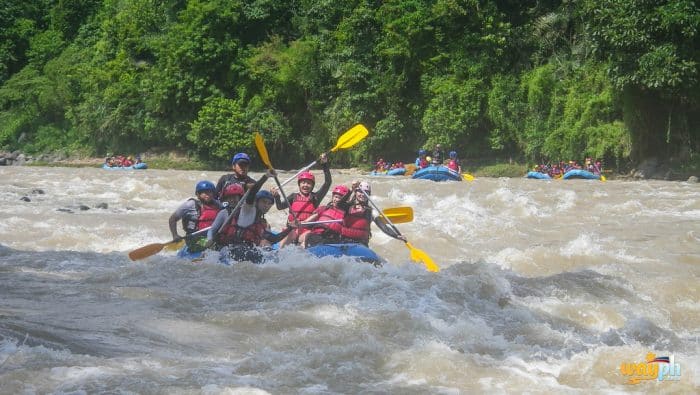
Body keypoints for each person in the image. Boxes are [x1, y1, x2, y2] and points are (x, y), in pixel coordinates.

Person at [209, 169, 293, 263]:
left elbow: (274, 239)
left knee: (273, 255)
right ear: (256, 202)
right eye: (263, 202)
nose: (266, 205)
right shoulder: (248, 211)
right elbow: (252, 192)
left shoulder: (262, 222)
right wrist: (265, 176)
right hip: (233, 251)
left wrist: (290, 228)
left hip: (246, 251)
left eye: (269, 203)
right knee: (257, 255)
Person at [273, 153, 331, 247]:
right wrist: (277, 196)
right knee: (287, 238)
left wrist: (324, 164)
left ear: (312, 186)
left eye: (309, 183)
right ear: (299, 184)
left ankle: (302, 257)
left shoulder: (315, 197)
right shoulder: (293, 197)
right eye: (303, 183)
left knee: (307, 239)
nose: (305, 185)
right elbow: (279, 207)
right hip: (292, 230)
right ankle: (279, 255)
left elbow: (328, 183)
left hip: (307, 231)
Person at [169, 180, 222, 254]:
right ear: (198, 194)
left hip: (211, 237)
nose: (207, 195)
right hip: (194, 239)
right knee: (209, 244)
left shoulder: (218, 204)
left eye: (210, 192)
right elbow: (173, 219)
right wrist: (175, 235)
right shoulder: (190, 205)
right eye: (204, 192)